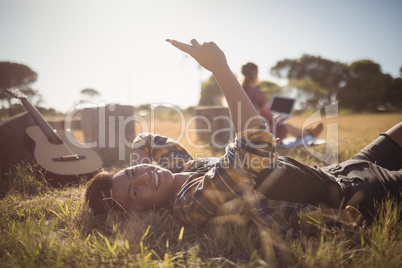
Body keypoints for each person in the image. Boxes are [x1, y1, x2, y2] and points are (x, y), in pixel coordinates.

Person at [85, 39, 401, 236]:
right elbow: (256, 145)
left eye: (132, 174)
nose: (143, 178)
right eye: (136, 193)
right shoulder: (191, 203)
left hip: (336, 171)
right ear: (143, 212)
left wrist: (138, 165)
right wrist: (220, 69)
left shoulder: (180, 168)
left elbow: (147, 140)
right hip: (357, 194)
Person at [240, 62, 323, 140]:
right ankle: (308, 134)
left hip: (242, 133)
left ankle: (307, 132)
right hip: (258, 135)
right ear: (255, 74)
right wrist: (275, 118)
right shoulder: (256, 94)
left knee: (281, 125)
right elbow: (268, 116)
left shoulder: (239, 93)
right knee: (285, 126)